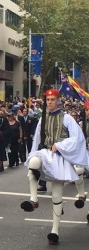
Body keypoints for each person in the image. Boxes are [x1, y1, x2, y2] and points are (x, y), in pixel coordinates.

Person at [20, 89, 89, 245]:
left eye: (52, 99)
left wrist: (59, 145)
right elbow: (37, 138)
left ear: (58, 100)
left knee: (57, 196)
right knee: (33, 163)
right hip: (46, 153)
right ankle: (33, 200)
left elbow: (77, 138)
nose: (49, 102)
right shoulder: (42, 119)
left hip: (60, 158)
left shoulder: (66, 118)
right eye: (48, 100)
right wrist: (33, 153)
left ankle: (54, 231)